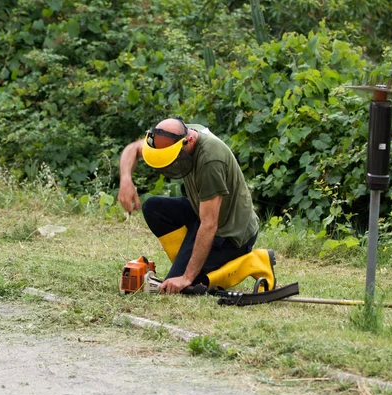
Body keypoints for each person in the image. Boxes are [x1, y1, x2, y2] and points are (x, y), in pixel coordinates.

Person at [117, 117, 276, 294]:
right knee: (153, 207)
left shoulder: (211, 160)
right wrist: (125, 179)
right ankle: (188, 261)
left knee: (185, 287)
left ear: (189, 140)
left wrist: (187, 277)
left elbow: (209, 224)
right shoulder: (180, 133)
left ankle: (255, 261)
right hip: (201, 214)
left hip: (230, 234)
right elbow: (133, 149)